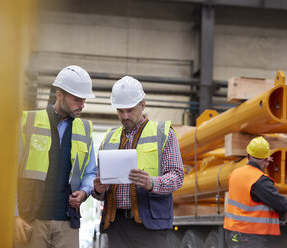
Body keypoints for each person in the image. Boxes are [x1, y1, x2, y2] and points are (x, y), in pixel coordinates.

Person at [92, 76, 184, 248]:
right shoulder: (108, 138)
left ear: (143, 104)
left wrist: (152, 183)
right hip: (116, 225)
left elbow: (177, 176)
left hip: (150, 227)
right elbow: (99, 184)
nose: (125, 116)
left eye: (130, 110)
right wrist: (97, 190)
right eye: (120, 111)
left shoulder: (164, 134)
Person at [13, 65, 97, 248]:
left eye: (83, 100)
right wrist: (15, 214)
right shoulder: (28, 122)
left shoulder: (84, 130)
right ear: (59, 95)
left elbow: (91, 173)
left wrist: (84, 192)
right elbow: (9, 173)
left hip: (67, 224)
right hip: (31, 221)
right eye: (76, 99)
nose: (82, 105)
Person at [224, 136, 287, 248]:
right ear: (267, 159)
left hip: (233, 232)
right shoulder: (259, 180)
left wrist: (264, 162)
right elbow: (278, 203)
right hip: (250, 236)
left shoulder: (235, 174)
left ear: (248, 156)